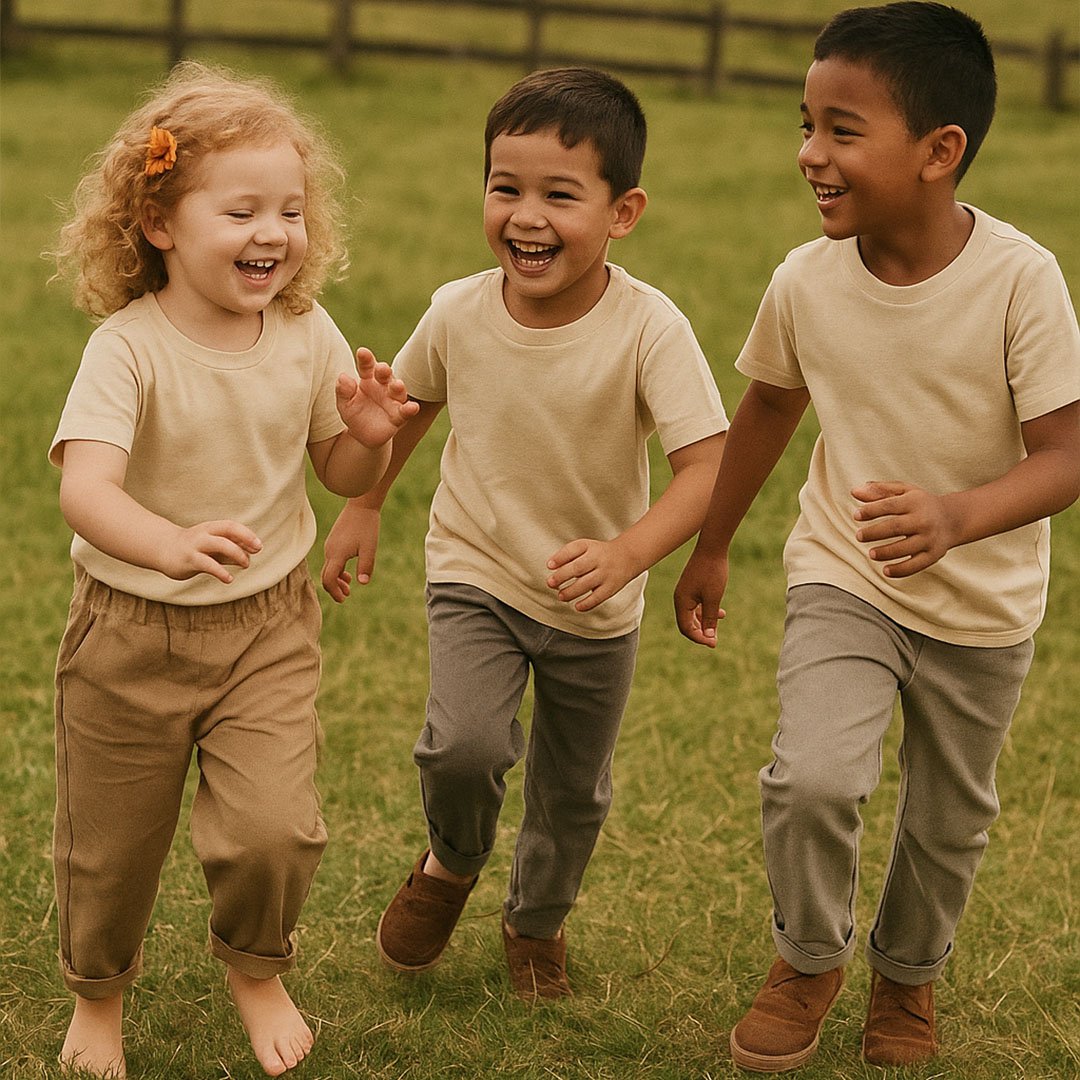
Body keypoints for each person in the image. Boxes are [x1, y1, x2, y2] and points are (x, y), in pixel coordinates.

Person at [674, 2, 1080, 1071]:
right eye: (806, 125)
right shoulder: (806, 281)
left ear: (939, 151)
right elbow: (767, 409)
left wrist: (956, 516)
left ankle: (908, 978)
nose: (811, 154)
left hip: (983, 607)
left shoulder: (1020, 280)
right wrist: (711, 545)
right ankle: (808, 957)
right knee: (812, 778)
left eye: (842, 130)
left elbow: (1066, 454)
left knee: (948, 821)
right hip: (845, 575)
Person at [322, 66, 728, 1001]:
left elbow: (705, 468)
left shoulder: (649, 328)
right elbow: (410, 404)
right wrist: (366, 501)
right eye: (505, 188)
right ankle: (451, 862)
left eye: (559, 194)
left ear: (623, 212)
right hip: (478, 568)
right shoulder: (460, 309)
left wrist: (629, 552)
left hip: (595, 599)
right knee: (463, 745)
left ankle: (535, 923)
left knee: (571, 789)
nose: (525, 216)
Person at [47, 61, 418, 1078]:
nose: (273, 233)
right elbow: (85, 488)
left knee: (273, 830)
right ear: (159, 221)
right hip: (129, 630)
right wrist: (165, 542)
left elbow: (337, 466)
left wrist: (371, 440)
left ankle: (256, 968)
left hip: (266, 624)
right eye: (243, 210)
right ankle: (98, 996)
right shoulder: (127, 350)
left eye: (290, 211)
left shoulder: (303, 334)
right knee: (110, 850)